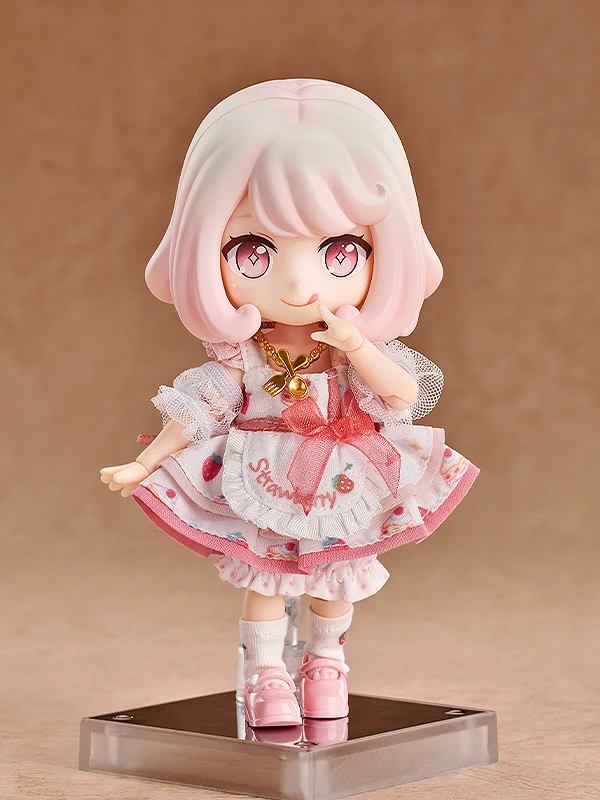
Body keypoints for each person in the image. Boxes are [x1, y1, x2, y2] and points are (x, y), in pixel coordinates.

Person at [100, 79, 479, 728]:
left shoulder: (349, 351)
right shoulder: (243, 357)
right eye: (254, 252)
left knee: (336, 578)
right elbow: (200, 408)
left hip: (344, 468)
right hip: (264, 472)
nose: (300, 283)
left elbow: (402, 395)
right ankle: (267, 675)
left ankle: (326, 664)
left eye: (340, 252)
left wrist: (357, 345)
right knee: (266, 581)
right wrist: (145, 462)